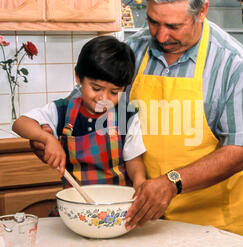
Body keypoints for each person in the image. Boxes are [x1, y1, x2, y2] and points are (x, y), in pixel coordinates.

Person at [123, 0, 243, 244]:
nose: (161, 36)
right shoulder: (132, 50)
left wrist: (171, 183)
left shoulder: (232, 62)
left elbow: (239, 151)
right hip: (151, 225)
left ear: (202, 11)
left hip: (223, 228)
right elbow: (97, 108)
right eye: (153, 21)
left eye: (174, 26)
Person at [13, 36, 146, 214]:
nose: (104, 99)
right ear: (78, 77)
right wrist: (47, 138)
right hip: (74, 208)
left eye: (114, 92)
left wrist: (140, 184)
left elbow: (134, 160)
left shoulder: (127, 116)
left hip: (116, 209)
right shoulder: (61, 110)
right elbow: (20, 123)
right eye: (96, 88)